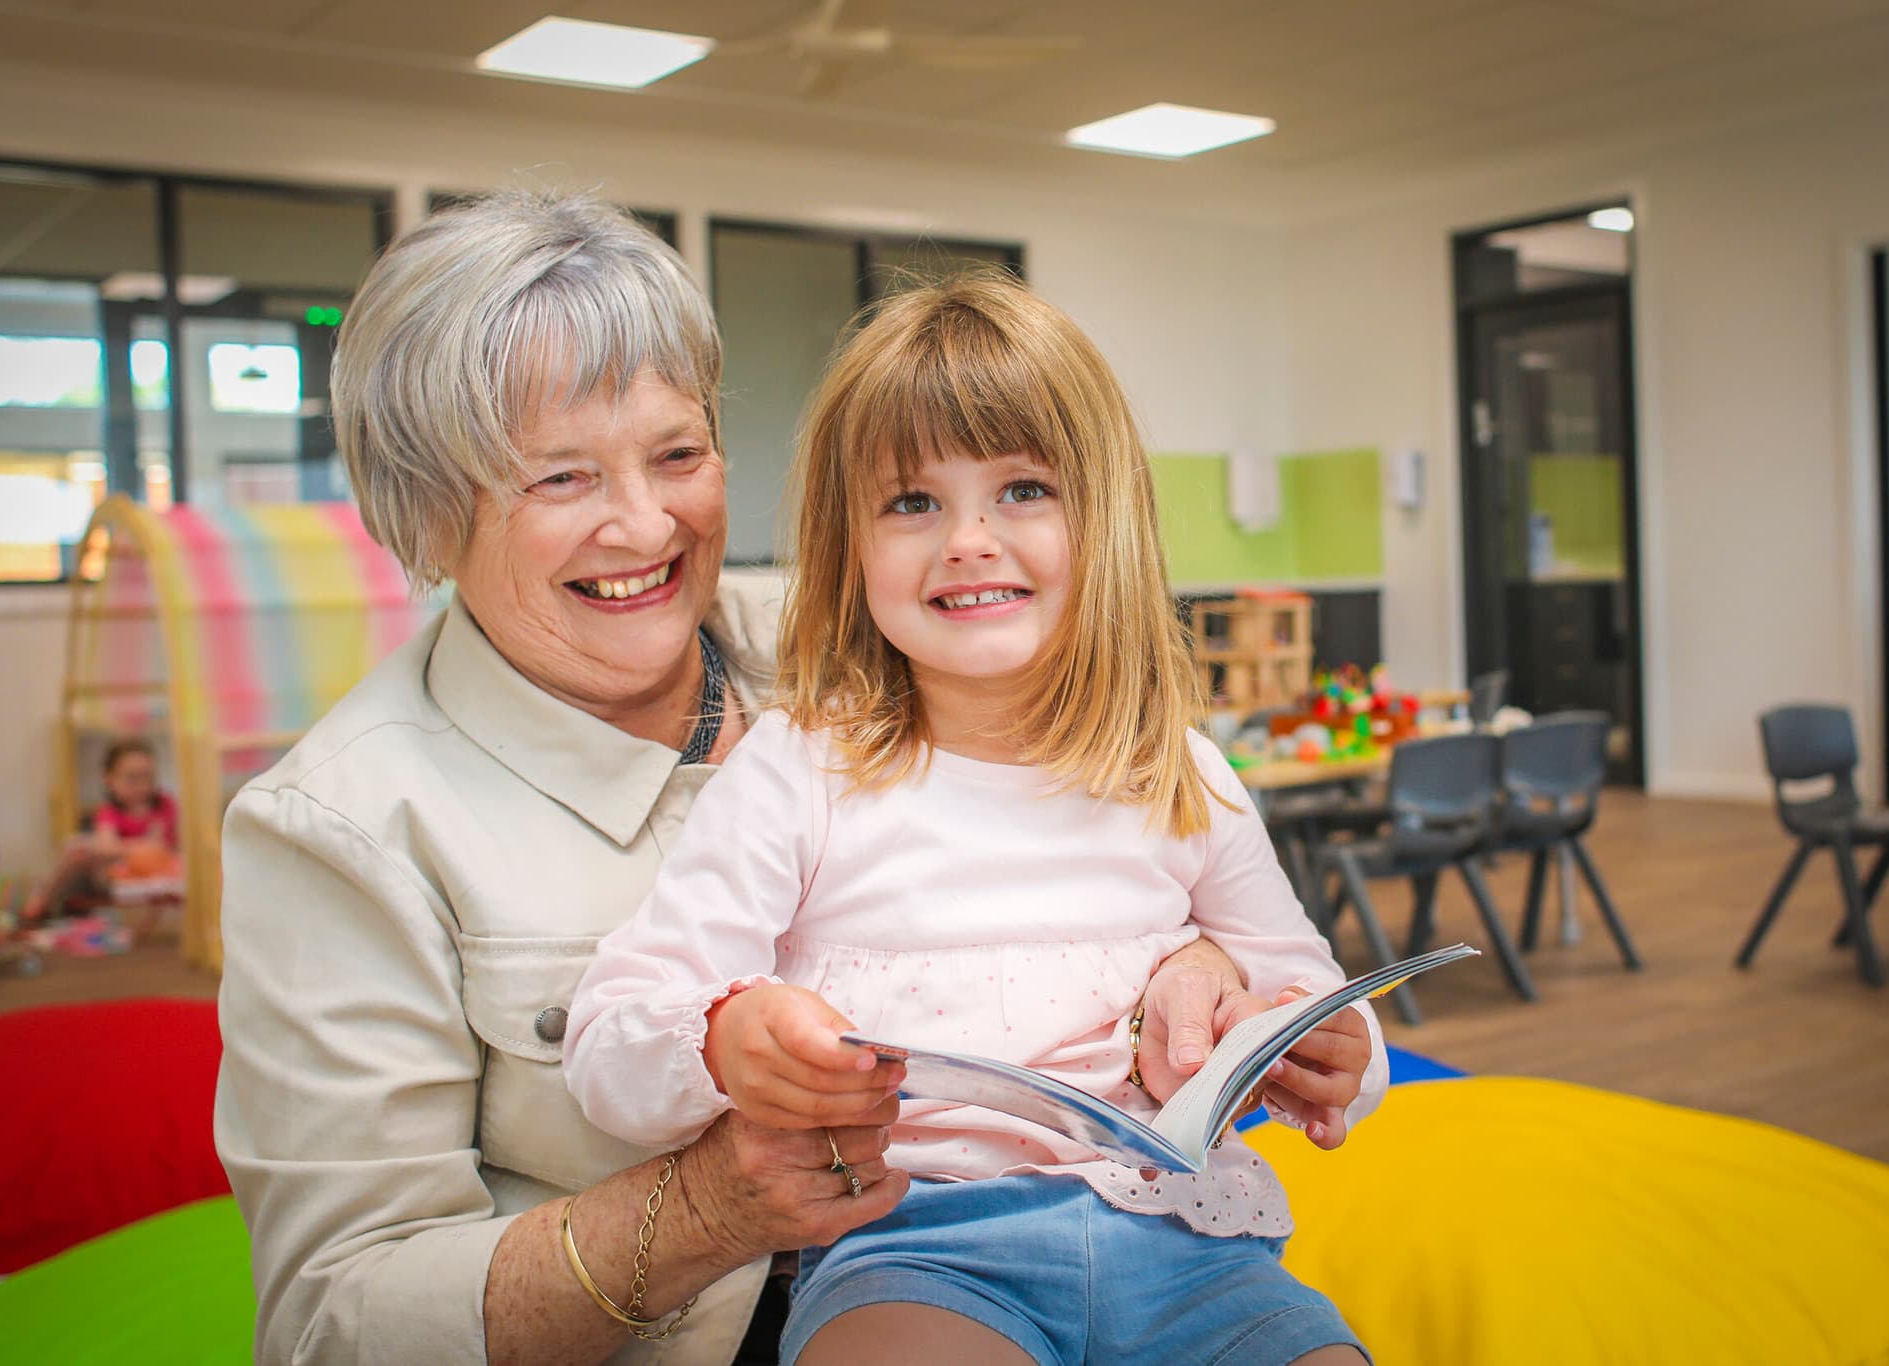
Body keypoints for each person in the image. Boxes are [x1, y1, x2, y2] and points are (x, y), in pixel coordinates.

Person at [213, 192, 1284, 1366]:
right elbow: (330, 1324)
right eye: (560, 479)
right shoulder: (342, 828)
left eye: (677, 454)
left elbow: (1113, 810)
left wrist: (1196, 947)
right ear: (425, 510)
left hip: (1094, 1249)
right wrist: (713, 1203)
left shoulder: (874, 635)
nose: (644, 523)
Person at [564, 273, 1388, 1365]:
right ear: (848, 546)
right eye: (911, 502)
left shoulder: (1182, 773)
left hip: (1191, 1247)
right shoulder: (800, 769)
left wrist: (1337, 1048)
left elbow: (1313, 997)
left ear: (1105, 519)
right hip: (915, 1247)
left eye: (1022, 490)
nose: (967, 539)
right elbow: (612, 1034)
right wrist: (722, 1040)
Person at [23, 737, 183, 925]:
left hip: (158, 870)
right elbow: (107, 847)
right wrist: (142, 846)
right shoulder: (109, 812)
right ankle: (44, 901)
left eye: (148, 776)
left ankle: (44, 900)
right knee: (77, 850)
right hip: (117, 873)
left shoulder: (165, 805)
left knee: (81, 849)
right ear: (109, 780)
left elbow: (169, 847)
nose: (142, 785)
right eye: (132, 778)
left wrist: (137, 848)